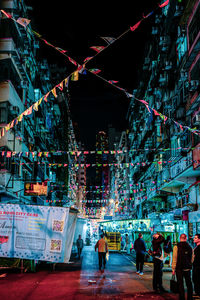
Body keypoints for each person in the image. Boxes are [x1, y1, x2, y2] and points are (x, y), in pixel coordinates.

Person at [172, 233, 193, 300]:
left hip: (179, 268)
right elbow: (192, 258)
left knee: (180, 284)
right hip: (187, 268)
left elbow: (174, 258)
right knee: (189, 283)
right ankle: (190, 297)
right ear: (186, 238)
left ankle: (182, 298)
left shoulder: (176, 247)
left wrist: (173, 268)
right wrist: (189, 264)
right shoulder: (190, 247)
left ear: (180, 238)